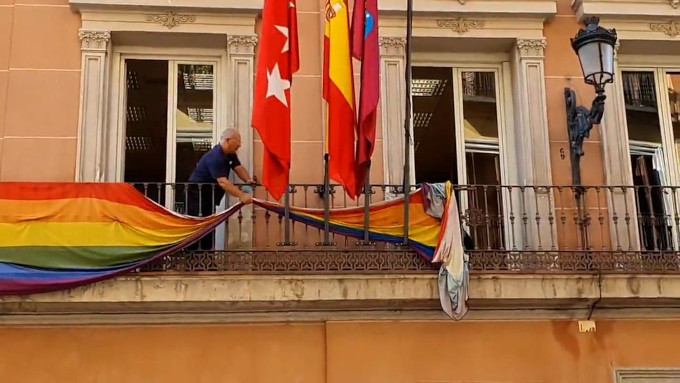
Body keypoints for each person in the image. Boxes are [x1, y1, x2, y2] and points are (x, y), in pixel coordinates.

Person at [186, 128, 256, 250]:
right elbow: (223, 182)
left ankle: (207, 258)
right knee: (198, 227)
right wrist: (242, 195)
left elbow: (238, 168)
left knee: (209, 226)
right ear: (228, 140)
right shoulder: (215, 157)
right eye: (237, 141)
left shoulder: (230, 154)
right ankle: (193, 259)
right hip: (196, 194)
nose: (239, 145)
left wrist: (248, 180)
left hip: (208, 196)